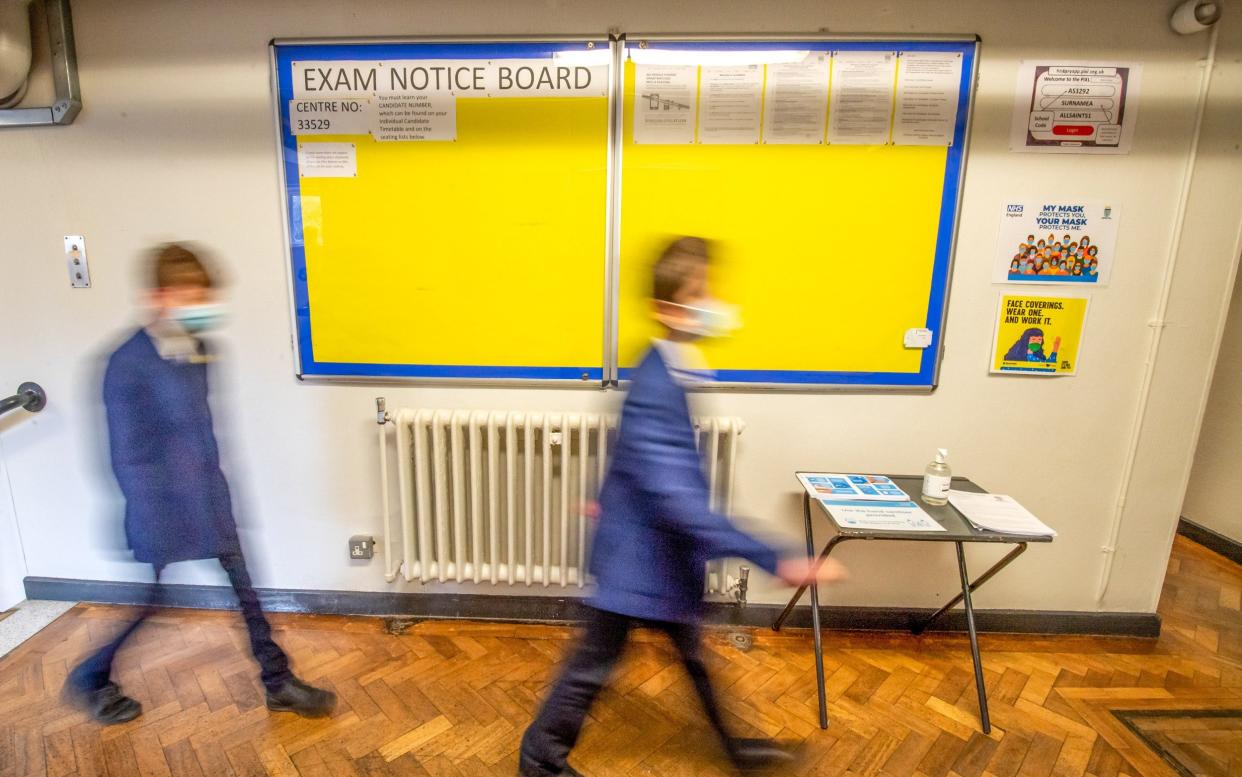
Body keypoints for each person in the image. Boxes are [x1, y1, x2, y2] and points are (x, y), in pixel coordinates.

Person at [519, 237, 846, 777]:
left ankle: (735, 749)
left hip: (653, 550)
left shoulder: (670, 367)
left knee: (692, 658)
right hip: (637, 558)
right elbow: (679, 497)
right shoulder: (656, 381)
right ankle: (539, 763)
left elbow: (637, 458)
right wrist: (778, 557)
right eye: (700, 291)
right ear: (666, 308)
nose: (712, 301)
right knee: (590, 669)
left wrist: (607, 500)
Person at [65, 243, 336, 725]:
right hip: (161, 510)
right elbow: (129, 455)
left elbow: (202, 432)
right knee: (152, 602)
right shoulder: (126, 364)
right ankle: (91, 677)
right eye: (191, 297)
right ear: (160, 297)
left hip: (210, 498)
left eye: (205, 296)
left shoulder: (201, 350)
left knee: (246, 594)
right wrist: (167, 513)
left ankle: (277, 682)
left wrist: (218, 492)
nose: (202, 307)